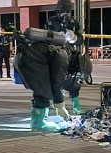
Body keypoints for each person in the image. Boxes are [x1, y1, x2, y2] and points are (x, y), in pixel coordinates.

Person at [13, 0, 90, 131]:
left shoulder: (72, 30)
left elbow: (58, 81)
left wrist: (76, 38)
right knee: (45, 89)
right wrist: (60, 106)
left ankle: (39, 120)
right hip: (35, 61)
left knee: (45, 88)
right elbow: (57, 81)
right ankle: (38, 123)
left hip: (31, 58)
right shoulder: (63, 54)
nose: (65, 15)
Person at [44, 0, 84, 115]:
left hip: (71, 55)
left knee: (74, 82)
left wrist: (75, 38)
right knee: (56, 82)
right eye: (63, 11)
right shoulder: (51, 22)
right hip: (55, 55)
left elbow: (81, 40)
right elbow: (44, 38)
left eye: (67, 11)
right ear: (58, 11)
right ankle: (57, 106)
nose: (65, 14)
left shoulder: (74, 23)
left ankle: (76, 105)